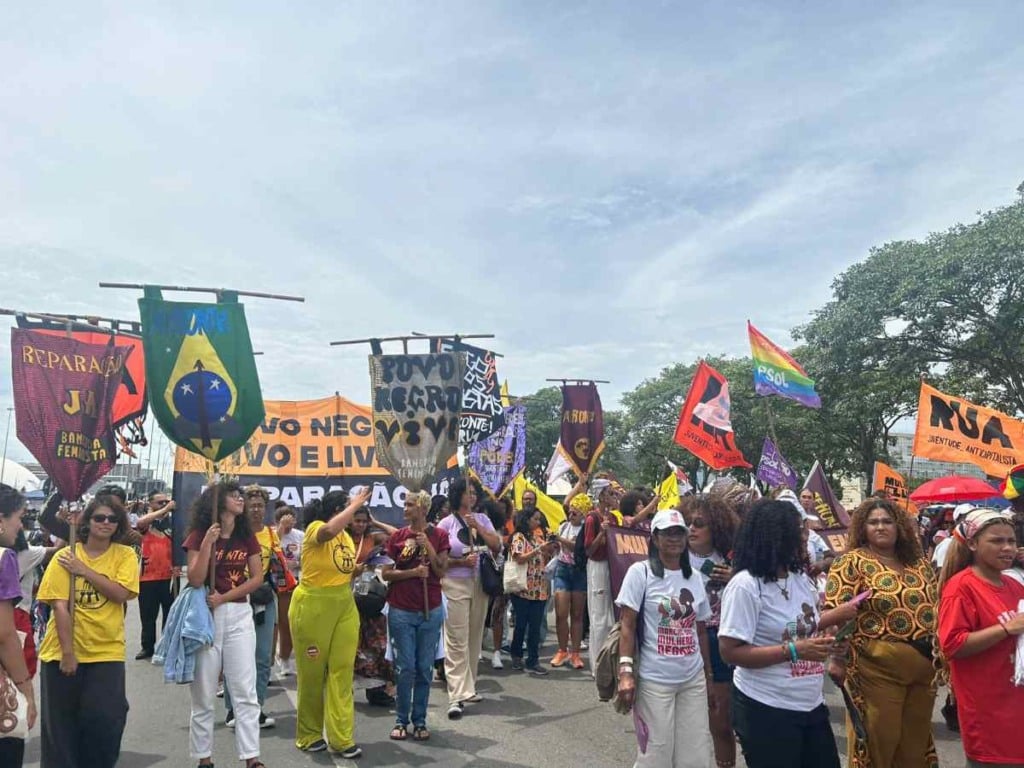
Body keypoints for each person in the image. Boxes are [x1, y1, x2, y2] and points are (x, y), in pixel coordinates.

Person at [718, 499, 851, 768]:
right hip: (766, 708)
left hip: (810, 704)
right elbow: (729, 652)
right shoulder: (745, 586)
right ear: (774, 536)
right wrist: (795, 650)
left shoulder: (799, 578)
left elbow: (804, 626)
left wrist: (834, 630)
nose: (806, 537)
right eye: (798, 531)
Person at [824, 498, 939, 768]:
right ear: (862, 528)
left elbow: (936, 607)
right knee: (880, 741)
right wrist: (837, 660)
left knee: (915, 745)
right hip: (876, 669)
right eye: (873, 522)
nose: (880, 527)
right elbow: (836, 615)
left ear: (899, 526)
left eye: (887, 521)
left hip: (925, 669)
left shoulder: (919, 563)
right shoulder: (850, 563)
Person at [37, 494, 139, 768]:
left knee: (107, 721)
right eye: (99, 518)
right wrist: (68, 653)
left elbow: (120, 593)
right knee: (60, 730)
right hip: (61, 652)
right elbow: (60, 606)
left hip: (106, 652)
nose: (105, 523)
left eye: (112, 519)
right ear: (87, 521)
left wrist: (83, 571)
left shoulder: (125, 555)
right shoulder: (65, 555)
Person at [616, 508, 714, 768]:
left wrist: (708, 676)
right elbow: (627, 624)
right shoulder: (641, 573)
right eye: (667, 534)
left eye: (679, 533)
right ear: (655, 539)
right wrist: (625, 672)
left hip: (692, 679)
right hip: (655, 680)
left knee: (696, 754)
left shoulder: (694, 578)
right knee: (656, 754)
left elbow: (700, 629)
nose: (674, 539)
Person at [183, 482, 266, 768]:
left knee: (245, 690)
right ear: (217, 504)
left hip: (239, 615)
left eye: (240, 495)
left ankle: (252, 758)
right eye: (234, 495)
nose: (240, 499)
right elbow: (194, 579)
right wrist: (207, 542)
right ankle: (204, 759)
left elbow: (257, 578)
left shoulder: (247, 536)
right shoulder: (198, 535)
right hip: (206, 619)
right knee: (204, 693)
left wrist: (226, 597)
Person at [938, 507, 1024, 767]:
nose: (1007, 548)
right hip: (988, 715)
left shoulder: (1014, 585)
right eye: (996, 541)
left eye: (1011, 541)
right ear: (973, 543)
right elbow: (952, 645)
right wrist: (1006, 628)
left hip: (1015, 705)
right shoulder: (961, 587)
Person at [289, 487, 369, 758]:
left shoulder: (346, 537)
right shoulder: (316, 527)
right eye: (349, 506)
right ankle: (309, 734)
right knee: (312, 675)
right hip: (313, 606)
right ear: (338, 510)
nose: (355, 511)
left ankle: (342, 738)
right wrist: (355, 503)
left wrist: (356, 571)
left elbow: (343, 569)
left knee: (342, 671)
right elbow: (326, 534)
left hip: (344, 604)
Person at [381, 490, 450, 741]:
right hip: (400, 610)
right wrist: (412, 573)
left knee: (424, 668)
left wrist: (428, 547)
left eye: (410, 505)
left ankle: (419, 721)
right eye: (405, 504)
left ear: (423, 508)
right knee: (405, 668)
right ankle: (401, 719)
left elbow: (441, 571)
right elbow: (386, 573)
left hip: (429, 610)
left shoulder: (440, 535)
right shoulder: (397, 537)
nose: (405, 508)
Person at [682, 493, 740, 768]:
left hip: (719, 642)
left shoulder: (733, 559)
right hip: (681, 642)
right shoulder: (673, 557)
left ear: (715, 527)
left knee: (720, 721)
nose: (691, 528)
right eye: (688, 523)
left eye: (699, 523)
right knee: (684, 723)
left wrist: (736, 577)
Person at [437, 477, 501, 719]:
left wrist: (480, 528)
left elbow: (496, 546)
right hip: (454, 583)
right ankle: (456, 695)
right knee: (456, 638)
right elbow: (439, 562)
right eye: (467, 492)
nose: (472, 496)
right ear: (457, 495)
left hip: (479, 583)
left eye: (474, 492)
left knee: (475, 636)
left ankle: (469, 686)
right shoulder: (445, 524)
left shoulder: (482, 519)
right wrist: (460, 562)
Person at [223, 485, 279, 729]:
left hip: (264, 598)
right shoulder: (234, 532)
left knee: (263, 655)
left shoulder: (271, 533)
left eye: (260, 506)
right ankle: (233, 708)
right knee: (235, 655)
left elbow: (277, 566)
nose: (256, 510)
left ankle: (256, 707)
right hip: (237, 597)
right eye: (252, 505)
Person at [0, 485, 36, 767]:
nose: (21, 525)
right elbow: (4, 634)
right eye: (19, 516)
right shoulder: (4, 558)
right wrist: (26, 689)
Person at [349, 506, 398, 707]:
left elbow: (396, 535)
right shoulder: (341, 539)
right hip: (347, 596)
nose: (360, 525)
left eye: (363, 521)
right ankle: (344, 689)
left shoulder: (372, 538)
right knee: (352, 645)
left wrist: (375, 522)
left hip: (370, 596)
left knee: (377, 644)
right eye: (356, 520)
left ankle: (376, 689)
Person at [508, 508, 559, 675]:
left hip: (539, 587)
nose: (538, 522)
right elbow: (519, 557)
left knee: (535, 627)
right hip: (523, 588)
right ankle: (516, 656)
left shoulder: (537, 535)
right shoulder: (518, 537)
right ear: (526, 519)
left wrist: (549, 549)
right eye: (535, 519)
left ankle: (533, 660)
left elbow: (544, 557)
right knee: (521, 625)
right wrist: (538, 549)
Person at [583, 478, 623, 676]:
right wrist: (602, 533)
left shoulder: (615, 518)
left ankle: (609, 660)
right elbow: (589, 550)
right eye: (610, 493)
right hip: (598, 567)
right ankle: (597, 665)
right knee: (599, 618)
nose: (614, 497)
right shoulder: (592, 518)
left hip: (612, 566)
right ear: (601, 496)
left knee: (611, 616)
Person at [134, 490, 179, 661]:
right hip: (147, 576)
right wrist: (165, 509)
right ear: (151, 504)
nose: (164, 505)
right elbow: (140, 522)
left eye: (165, 502)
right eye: (159, 502)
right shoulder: (147, 522)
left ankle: (166, 645)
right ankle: (147, 647)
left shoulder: (174, 522)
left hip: (169, 576)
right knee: (147, 615)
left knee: (170, 614)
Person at [551, 493, 589, 670]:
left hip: (579, 572)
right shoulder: (564, 526)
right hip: (562, 569)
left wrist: (560, 540)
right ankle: (561, 649)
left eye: (575, 513)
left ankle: (575, 653)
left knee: (577, 615)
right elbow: (558, 548)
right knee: (561, 613)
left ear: (582, 514)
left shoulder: (585, 529)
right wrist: (553, 542)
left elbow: (578, 548)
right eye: (570, 512)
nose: (571, 515)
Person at [273, 503, 302, 678]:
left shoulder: (300, 536)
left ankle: (285, 659)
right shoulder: (272, 534)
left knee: (287, 623)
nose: (289, 526)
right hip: (273, 583)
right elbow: (268, 550)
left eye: (291, 521)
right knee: (272, 625)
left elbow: (308, 558)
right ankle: (268, 661)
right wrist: (280, 529)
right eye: (285, 522)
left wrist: (297, 564)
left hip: (292, 584)